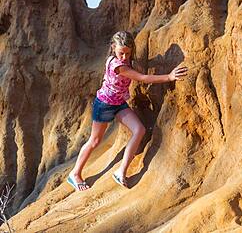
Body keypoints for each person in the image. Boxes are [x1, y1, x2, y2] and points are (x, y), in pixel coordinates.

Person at [67, 31, 188, 190]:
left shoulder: (125, 61)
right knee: (95, 141)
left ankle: (121, 172)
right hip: (104, 105)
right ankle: (75, 174)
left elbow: (138, 66)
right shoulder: (118, 66)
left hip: (119, 104)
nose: (124, 57)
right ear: (113, 48)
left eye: (128, 53)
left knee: (139, 130)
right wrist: (169, 77)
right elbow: (142, 78)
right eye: (121, 53)